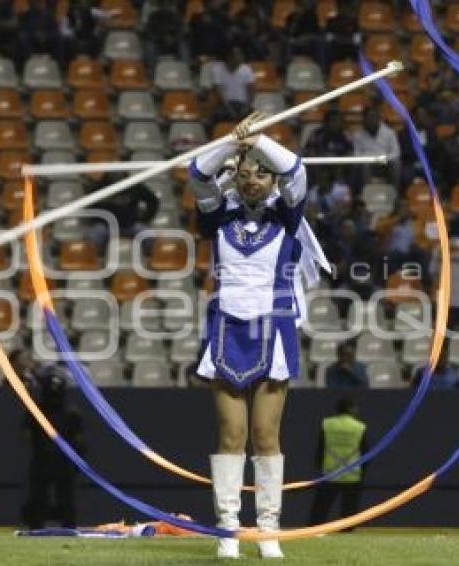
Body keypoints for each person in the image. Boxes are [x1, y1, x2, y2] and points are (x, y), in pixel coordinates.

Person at [189, 112, 324, 559]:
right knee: (231, 436)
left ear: (270, 182)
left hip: (274, 333)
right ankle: (228, 528)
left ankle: (268, 529)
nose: (252, 181)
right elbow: (197, 173)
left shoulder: (287, 217)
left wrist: (260, 141)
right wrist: (232, 144)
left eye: (261, 174)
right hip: (227, 332)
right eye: (245, 175)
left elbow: (296, 170)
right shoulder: (216, 217)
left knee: (266, 435)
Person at [21, 361, 84, 530]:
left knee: (61, 497)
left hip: (54, 460)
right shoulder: (39, 412)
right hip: (49, 460)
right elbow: (80, 442)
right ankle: (42, 526)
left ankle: (61, 526)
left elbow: (26, 436)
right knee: (44, 497)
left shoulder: (68, 413)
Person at [308, 396, 368, 527]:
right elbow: (365, 451)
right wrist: (363, 472)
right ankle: (347, 530)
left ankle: (314, 529)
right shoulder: (359, 427)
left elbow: (321, 447)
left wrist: (319, 466)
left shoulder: (327, 424)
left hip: (330, 472)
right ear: (351, 409)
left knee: (321, 507)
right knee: (349, 509)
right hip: (352, 473)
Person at [350, 104, 401, 187]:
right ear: (365, 118)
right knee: (364, 166)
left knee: (396, 163)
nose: (372, 119)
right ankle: (367, 195)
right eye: (370, 117)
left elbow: (396, 153)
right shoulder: (358, 135)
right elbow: (357, 154)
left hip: (385, 163)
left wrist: (384, 159)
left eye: (374, 116)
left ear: (378, 118)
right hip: (368, 163)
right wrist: (370, 159)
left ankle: (394, 193)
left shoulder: (389, 132)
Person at [209, 47, 255, 124]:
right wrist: (229, 109)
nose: (241, 57)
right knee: (219, 115)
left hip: (242, 105)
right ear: (229, 57)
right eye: (238, 55)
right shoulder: (217, 68)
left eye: (240, 54)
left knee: (254, 118)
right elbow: (218, 92)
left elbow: (251, 92)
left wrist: (246, 107)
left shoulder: (247, 69)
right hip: (224, 105)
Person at [143, 0, 186, 71]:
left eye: (167, 4)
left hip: (173, 44)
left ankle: (184, 69)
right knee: (149, 45)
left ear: (170, 6)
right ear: (159, 6)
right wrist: (161, 38)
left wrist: (173, 38)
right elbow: (149, 31)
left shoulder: (176, 16)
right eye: (163, 4)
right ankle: (152, 70)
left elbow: (181, 31)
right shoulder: (153, 16)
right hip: (158, 43)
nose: (165, 6)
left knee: (183, 45)